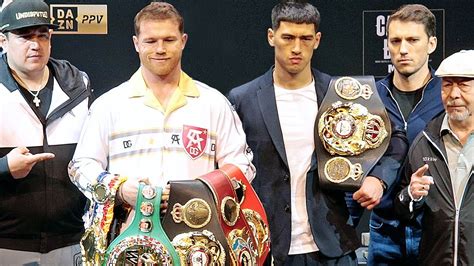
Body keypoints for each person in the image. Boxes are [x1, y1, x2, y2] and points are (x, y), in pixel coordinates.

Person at [69, 0, 253, 229]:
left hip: (200, 241)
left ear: (183, 41)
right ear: (136, 44)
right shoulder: (109, 105)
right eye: (150, 41)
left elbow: (242, 167)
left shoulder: (213, 103)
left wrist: (199, 191)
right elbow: (81, 167)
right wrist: (120, 189)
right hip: (130, 241)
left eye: (168, 40)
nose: (160, 49)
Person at [228, 1, 364, 265]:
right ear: (271, 37)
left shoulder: (339, 95)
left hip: (331, 243)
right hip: (267, 245)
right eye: (288, 37)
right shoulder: (242, 98)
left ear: (317, 40)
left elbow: (382, 141)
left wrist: (377, 180)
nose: (297, 48)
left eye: (306, 38)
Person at [0, 0, 92, 264]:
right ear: (2, 40)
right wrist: (5, 166)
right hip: (7, 244)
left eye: (42, 35)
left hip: (71, 240)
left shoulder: (78, 83)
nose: (35, 44)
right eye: (24, 36)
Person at [352, 4, 444, 265]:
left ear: (432, 43)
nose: (403, 49)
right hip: (383, 231)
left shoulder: (448, 97)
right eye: (395, 40)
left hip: (435, 229)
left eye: (413, 40)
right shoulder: (369, 98)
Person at [394, 49, 474, 265]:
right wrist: (411, 194)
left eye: (464, 84)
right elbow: (402, 209)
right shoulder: (425, 141)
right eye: (447, 84)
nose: (454, 94)